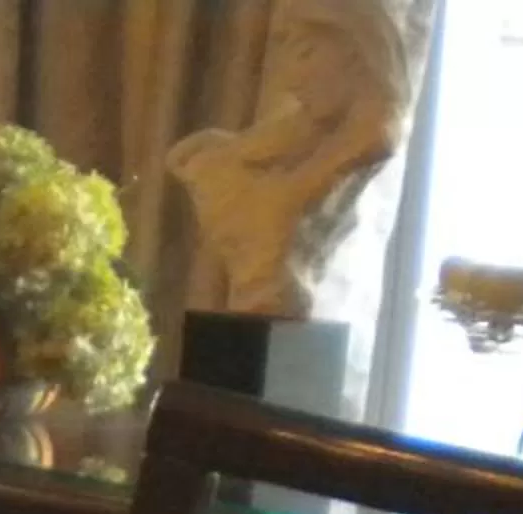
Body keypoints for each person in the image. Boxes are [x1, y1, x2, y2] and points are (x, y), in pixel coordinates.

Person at [167, 0, 416, 319]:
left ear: (355, 48)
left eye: (305, 53)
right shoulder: (319, 122)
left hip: (277, 292)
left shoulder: (372, 133)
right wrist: (215, 151)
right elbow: (251, 148)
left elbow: (281, 206)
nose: (290, 80)